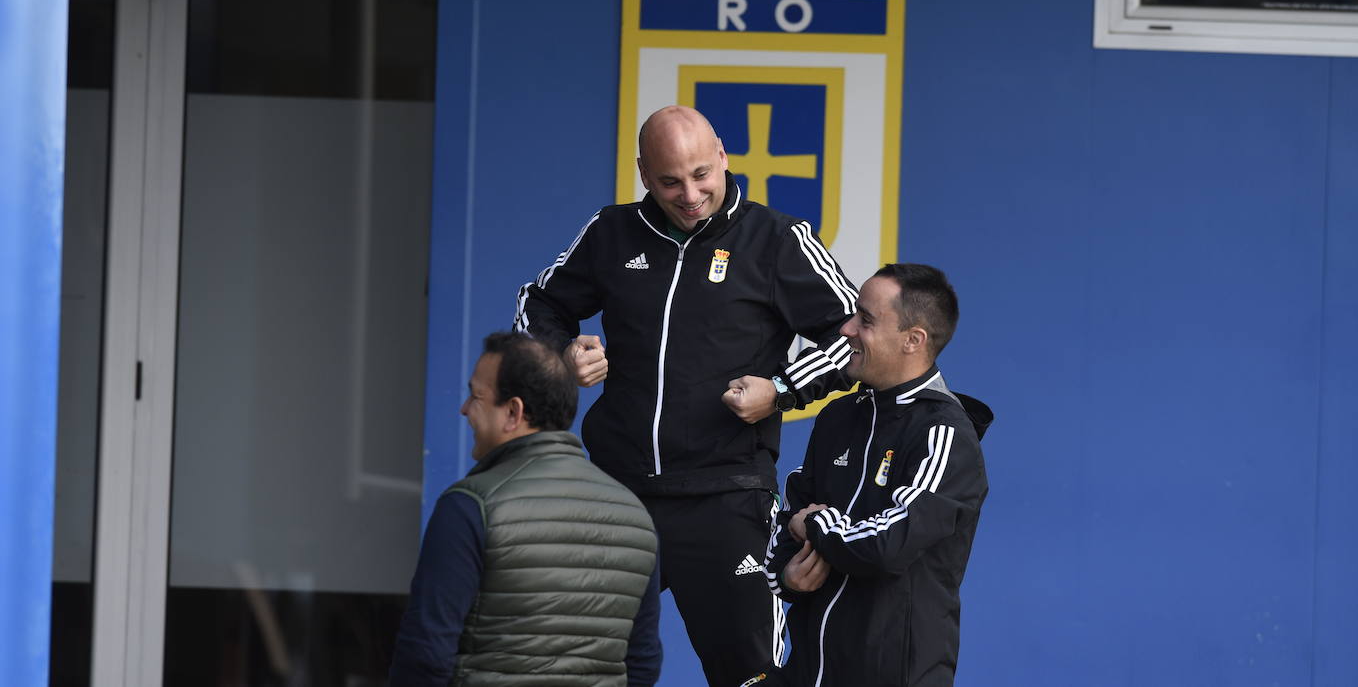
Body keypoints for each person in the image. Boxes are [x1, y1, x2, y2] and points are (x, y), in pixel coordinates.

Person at [514, 106, 858, 686]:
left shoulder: (777, 239)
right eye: (671, 181)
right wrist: (562, 355)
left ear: (724, 155)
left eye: (702, 173)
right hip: (617, 495)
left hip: (725, 497)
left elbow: (853, 334)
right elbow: (537, 302)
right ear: (644, 173)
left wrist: (781, 390)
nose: (692, 193)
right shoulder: (611, 231)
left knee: (753, 674)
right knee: (579, 671)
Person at [759, 264, 992, 687]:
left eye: (865, 319)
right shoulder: (837, 416)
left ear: (913, 340)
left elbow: (888, 545)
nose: (845, 328)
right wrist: (788, 577)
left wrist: (815, 524)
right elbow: (786, 517)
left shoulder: (945, 432)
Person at [389, 332, 662, 687]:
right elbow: (642, 663)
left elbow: (425, 654)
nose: (465, 409)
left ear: (513, 412)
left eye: (476, 396)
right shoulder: (636, 517)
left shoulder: (471, 506)